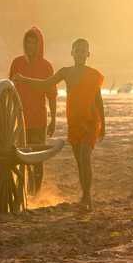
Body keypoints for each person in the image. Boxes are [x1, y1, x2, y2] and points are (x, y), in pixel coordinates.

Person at [12, 38, 105, 211]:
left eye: (83, 51)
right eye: (77, 50)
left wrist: (103, 126)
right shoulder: (66, 72)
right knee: (79, 161)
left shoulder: (93, 75)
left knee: (85, 157)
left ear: (88, 54)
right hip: (74, 123)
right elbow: (45, 84)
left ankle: (87, 197)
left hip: (90, 121)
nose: (80, 54)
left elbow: (98, 101)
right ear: (72, 53)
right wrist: (23, 79)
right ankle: (84, 195)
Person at [9, 27, 57, 195]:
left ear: (39, 45)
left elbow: (52, 95)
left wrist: (53, 120)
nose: (30, 46)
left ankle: (34, 193)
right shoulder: (17, 63)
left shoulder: (46, 66)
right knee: (17, 156)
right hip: (18, 120)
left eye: (33, 42)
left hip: (38, 120)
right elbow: (9, 90)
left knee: (37, 158)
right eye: (27, 42)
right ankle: (21, 191)